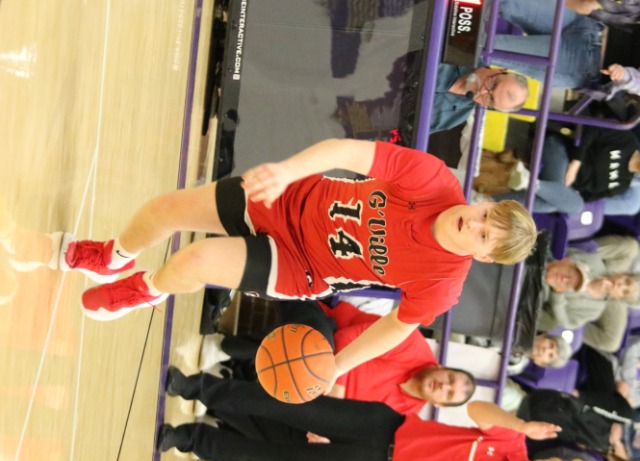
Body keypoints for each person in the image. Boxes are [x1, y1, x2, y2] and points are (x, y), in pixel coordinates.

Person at [56, 139, 537, 381]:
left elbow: (397, 327)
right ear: (485, 202)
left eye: (484, 235)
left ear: (484, 256)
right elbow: (346, 150)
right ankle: (113, 256)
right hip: (288, 197)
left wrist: (337, 367)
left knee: (194, 261)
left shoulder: (442, 283)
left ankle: (147, 290)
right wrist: (287, 171)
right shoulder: (433, 180)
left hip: (300, 263)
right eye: (486, 214)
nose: (474, 223)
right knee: (166, 210)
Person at [159, 378, 577, 461]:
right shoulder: (513, 440)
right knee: (291, 405)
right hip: (385, 428)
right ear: (553, 460)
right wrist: (521, 423)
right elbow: (477, 409)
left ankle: (189, 439)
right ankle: (198, 387)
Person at [202, 300, 476, 413]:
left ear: (439, 404)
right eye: (450, 378)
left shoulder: (405, 413)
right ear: (442, 367)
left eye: (449, 393)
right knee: (309, 357)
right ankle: (221, 347)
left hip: (319, 391)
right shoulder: (412, 344)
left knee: (305, 432)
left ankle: (219, 394)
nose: (444, 385)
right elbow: (346, 339)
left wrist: (325, 425)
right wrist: (333, 388)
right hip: (321, 325)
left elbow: (353, 421)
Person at [494, 129, 640, 214]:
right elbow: (591, 131)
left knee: (573, 205)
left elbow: (589, 197)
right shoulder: (628, 142)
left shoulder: (622, 185)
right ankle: (493, 201)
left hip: (565, 184)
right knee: (551, 202)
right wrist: (576, 162)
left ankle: (530, 183)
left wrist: (575, 192)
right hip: (562, 152)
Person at [431, 64, 529, 133]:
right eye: (493, 84)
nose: (482, 91)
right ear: (500, 70)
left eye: (490, 99)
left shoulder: (457, 116)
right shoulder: (465, 51)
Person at [508, 333, 573, 376]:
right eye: (551, 345)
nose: (546, 350)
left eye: (550, 355)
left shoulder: (515, 367)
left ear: (541, 363)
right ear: (543, 336)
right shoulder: (522, 324)